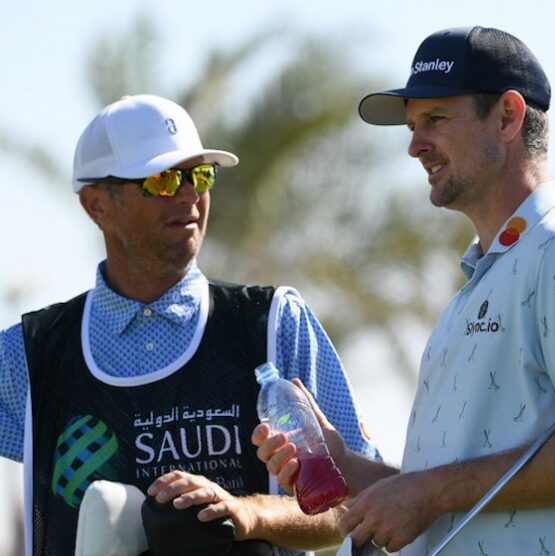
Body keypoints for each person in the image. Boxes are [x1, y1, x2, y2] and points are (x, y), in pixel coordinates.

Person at [254, 26, 555, 555]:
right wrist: (348, 467)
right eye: (413, 125)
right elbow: (455, 494)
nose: (414, 145)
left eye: (435, 120)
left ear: (509, 116)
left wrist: (429, 491)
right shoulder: (478, 287)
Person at [0, 94, 378, 556]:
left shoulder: (273, 322)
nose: (188, 194)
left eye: (200, 175)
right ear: (96, 204)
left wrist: (249, 514)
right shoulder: (29, 354)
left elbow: (356, 506)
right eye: (162, 179)